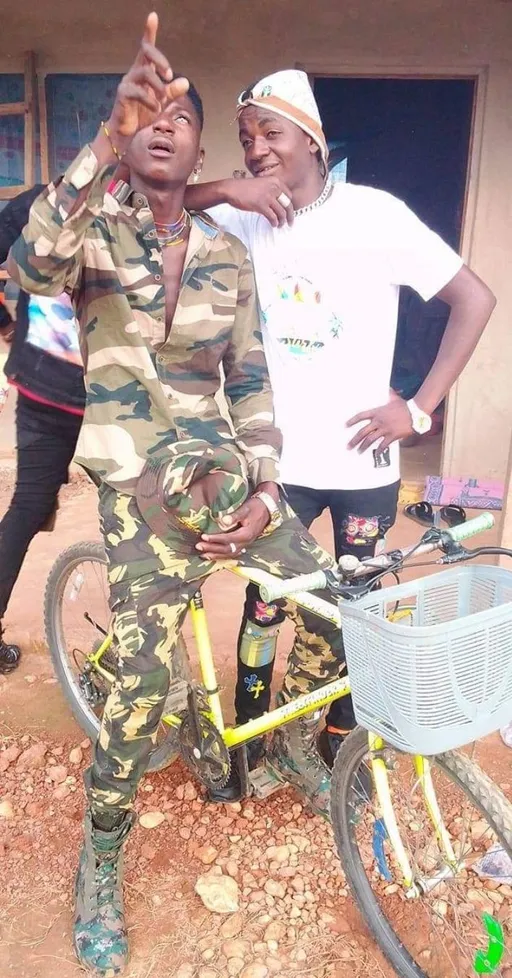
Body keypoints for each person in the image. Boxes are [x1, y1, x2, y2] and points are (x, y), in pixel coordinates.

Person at [8, 16, 350, 975]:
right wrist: (101, 143)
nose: (164, 124)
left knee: (331, 603)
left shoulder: (226, 254)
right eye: (147, 115)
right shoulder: (92, 237)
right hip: (137, 500)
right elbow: (28, 264)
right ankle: (101, 862)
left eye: (182, 117)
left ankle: (284, 744)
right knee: (141, 690)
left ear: (200, 146)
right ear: (132, 136)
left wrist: (270, 483)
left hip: (228, 481)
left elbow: (249, 378)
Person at [184, 68, 496, 797]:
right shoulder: (250, 215)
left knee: (355, 608)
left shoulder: (374, 215)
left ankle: (335, 741)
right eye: (247, 137)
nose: (257, 149)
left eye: (272, 132)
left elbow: (473, 298)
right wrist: (229, 189)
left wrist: (418, 410)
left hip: (364, 467)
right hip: (279, 466)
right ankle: (250, 745)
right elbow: (156, 199)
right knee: (265, 604)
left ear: (312, 139)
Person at [0, 186, 85, 675]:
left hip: (53, 387)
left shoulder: (41, 199)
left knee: (26, 509)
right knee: (135, 517)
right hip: (86, 396)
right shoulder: (144, 210)